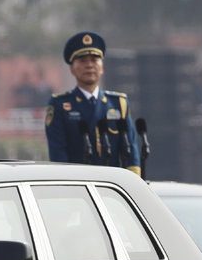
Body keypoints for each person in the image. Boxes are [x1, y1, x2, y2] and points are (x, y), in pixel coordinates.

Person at [45, 31, 141, 175]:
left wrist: (133, 181)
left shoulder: (118, 103)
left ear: (102, 67)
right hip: (77, 182)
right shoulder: (60, 105)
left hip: (112, 183)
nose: (89, 65)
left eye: (94, 60)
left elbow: (131, 150)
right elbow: (58, 153)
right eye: (82, 61)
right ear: (72, 69)